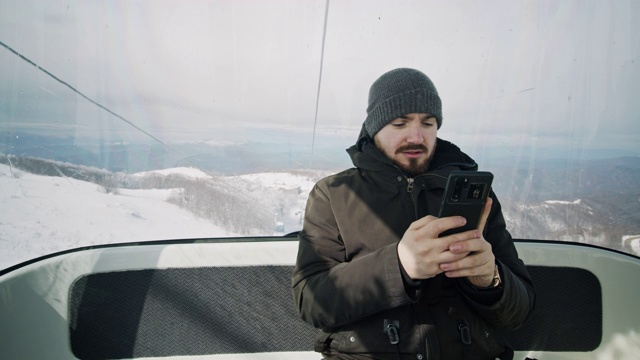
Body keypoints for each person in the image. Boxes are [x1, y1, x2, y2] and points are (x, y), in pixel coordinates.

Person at [291, 68, 535, 360]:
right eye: (399, 123)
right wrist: (399, 266)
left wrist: (491, 279)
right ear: (374, 127)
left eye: (428, 123)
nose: (417, 137)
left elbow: (520, 311)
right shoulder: (334, 194)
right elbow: (312, 300)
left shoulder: (471, 194)